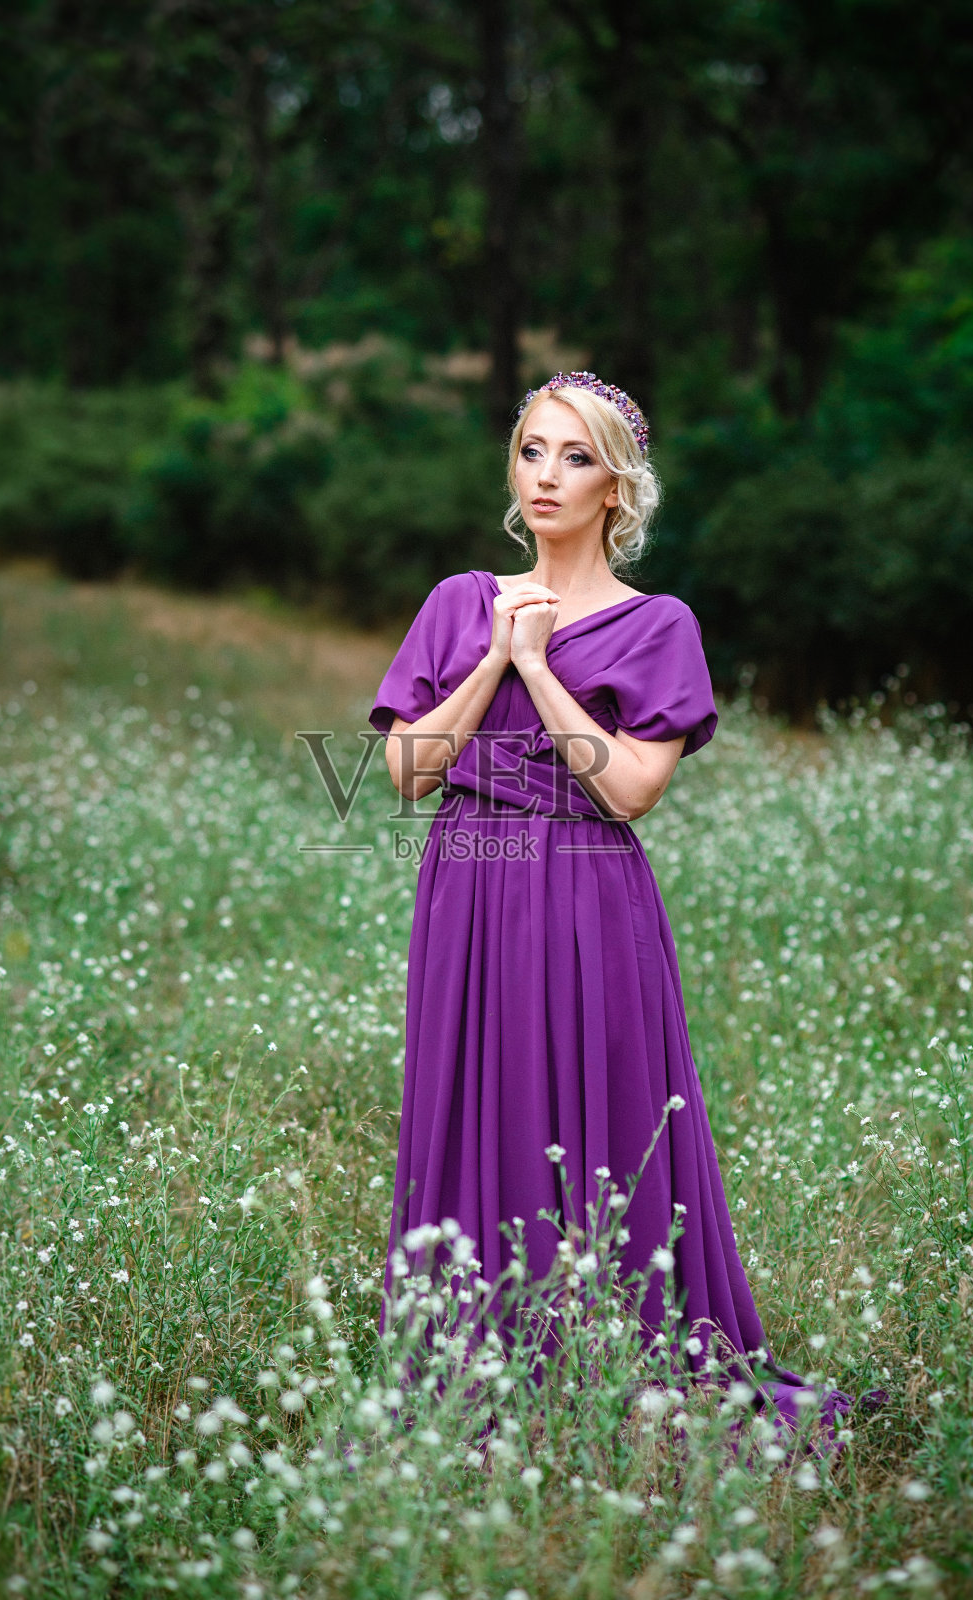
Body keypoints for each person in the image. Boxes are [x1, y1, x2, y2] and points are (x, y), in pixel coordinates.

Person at [368, 372, 850, 1438]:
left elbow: (630, 789)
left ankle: (606, 1350)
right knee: (472, 1095)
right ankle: (473, 1349)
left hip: (587, 892)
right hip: (468, 884)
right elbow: (405, 770)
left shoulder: (656, 625)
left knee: (591, 1107)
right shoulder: (460, 601)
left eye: (575, 456)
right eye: (532, 450)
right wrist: (493, 650)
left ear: (615, 487)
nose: (547, 474)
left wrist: (538, 672)